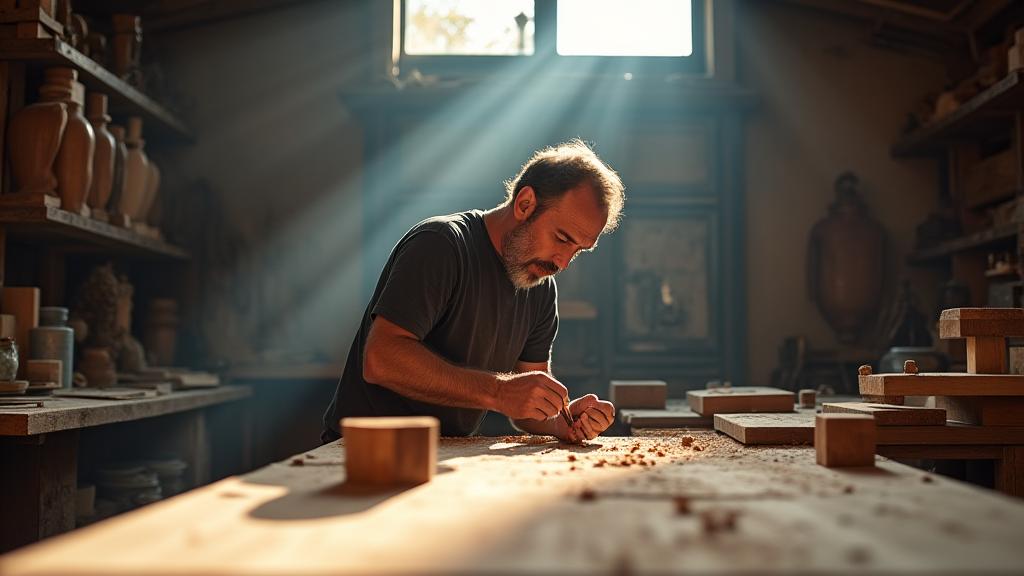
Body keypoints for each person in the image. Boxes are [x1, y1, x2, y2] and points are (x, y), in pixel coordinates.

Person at [322, 139, 625, 443]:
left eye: (578, 251)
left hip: (445, 456)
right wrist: (497, 391)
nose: (562, 263)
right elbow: (380, 360)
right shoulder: (441, 245)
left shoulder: (541, 288)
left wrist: (565, 421)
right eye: (561, 238)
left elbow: (525, 408)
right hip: (364, 452)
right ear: (525, 204)